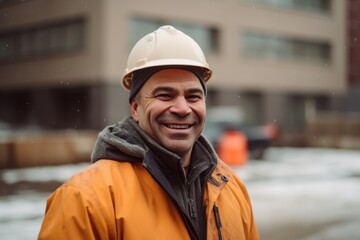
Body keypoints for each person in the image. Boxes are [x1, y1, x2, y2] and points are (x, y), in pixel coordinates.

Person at [38, 25, 259, 240]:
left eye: (193, 96)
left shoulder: (231, 187)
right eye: (165, 95)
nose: (183, 109)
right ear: (135, 108)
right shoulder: (84, 199)